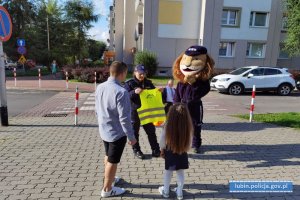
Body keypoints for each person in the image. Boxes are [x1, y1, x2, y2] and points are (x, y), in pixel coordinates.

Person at [95, 61, 137, 198]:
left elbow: (97, 109)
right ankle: (107, 189)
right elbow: (124, 119)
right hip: (116, 134)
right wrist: (131, 137)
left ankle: (111, 178)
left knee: (108, 155)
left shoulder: (100, 87)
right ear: (123, 73)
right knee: (113, 161)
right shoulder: (121, 91)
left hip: (104, 130)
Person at [124, 64, 161, 159]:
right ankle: (137, 150)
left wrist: (159, 92)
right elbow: (125, 97)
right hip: (134, 112)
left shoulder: (148, 83)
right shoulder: (129, 83)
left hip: (147, 111)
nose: (142, 75)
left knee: (151, 131)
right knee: (134, 132)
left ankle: (155, 150)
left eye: (144, 73)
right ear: (135, 72)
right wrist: (134, 92)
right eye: (140, 73)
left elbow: (154, 94)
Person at [158, 104, 193, 200]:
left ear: (171, 114)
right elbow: (190, 140)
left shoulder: (168, 123)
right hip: (182, 150)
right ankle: (180, 192)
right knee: (180, 172)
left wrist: (162, 149)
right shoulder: (187, 124)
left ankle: (165, 191)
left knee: (168, 171)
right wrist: (186, 149)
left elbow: (162, 138)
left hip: (170, 150)